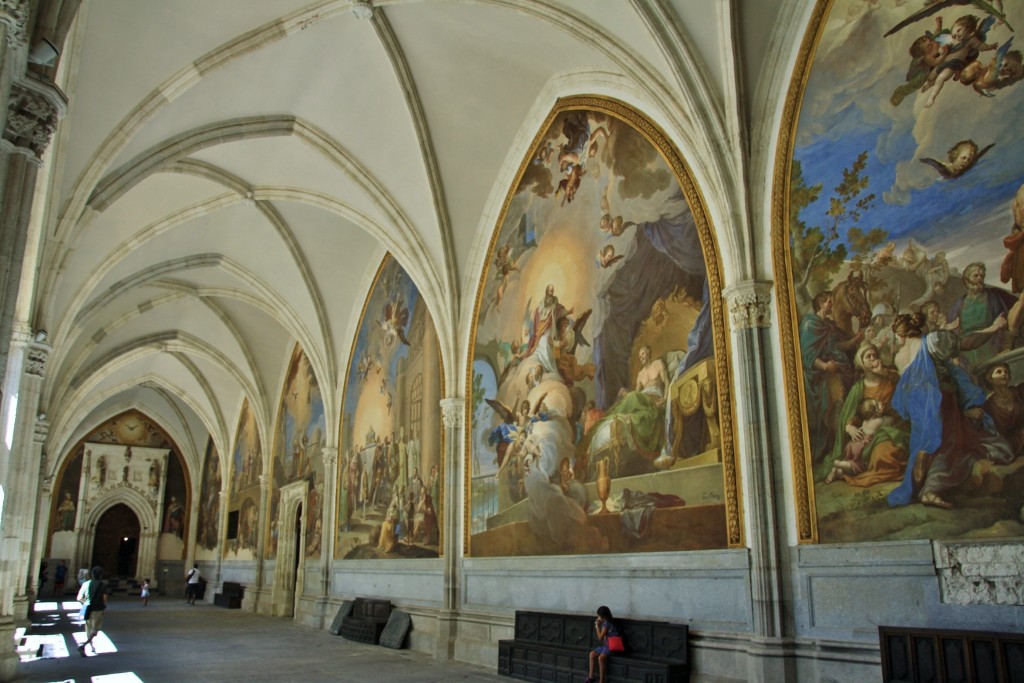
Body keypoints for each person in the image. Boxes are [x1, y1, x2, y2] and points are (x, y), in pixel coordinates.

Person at [888, 312, 1014, 509]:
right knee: (948, 444)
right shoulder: (930, 341)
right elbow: (966, 344)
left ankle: (921, 482)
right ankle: (931, 490)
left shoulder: (898, 357)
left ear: (899, 335)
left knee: (925, 443)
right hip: (940, 400)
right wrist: (994, 327)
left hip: (917, 406)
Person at [76, 566, 107, 656]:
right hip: (98, 609)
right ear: (101, 575)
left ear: (92, 575)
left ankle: (91, 647)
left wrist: (86, 603)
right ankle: (84, 645)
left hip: (87, 609)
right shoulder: (103, 585)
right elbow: (105, 599)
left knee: (88, 629)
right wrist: (104, 606)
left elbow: (79, 597)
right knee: (95, 629)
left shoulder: (86, 584)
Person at [584, 605, 620, 683]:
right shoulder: (608, 622)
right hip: (607, 645)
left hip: (612, 646)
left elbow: (600, 637)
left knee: (601, 658)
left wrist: (597, 626)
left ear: (602, 616)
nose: (598, 617)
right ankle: (591, 677)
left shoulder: (606, 623)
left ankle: (602, 681)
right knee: (592, 654)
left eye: (599, 616)